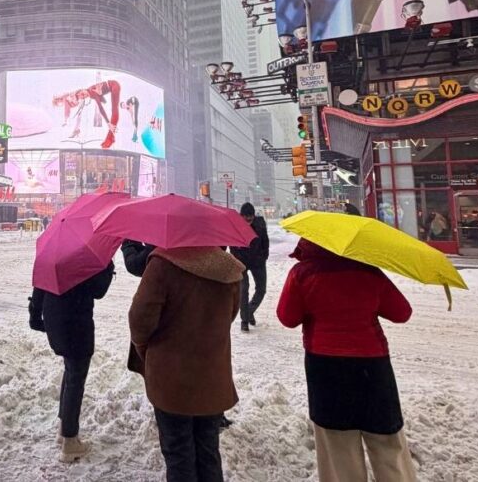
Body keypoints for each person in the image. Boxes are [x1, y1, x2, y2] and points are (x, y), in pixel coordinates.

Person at [277, 239, 417, 482]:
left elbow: (287, 317)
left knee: (337, 445)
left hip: (326, 367)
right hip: (373, 367)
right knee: (386, 440)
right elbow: (402, 312)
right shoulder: (368, 270)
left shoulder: (302, 273)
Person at [128, 247, 243, 481]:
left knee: (179, 454)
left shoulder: (162, 264)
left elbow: (139, 321)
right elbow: (229, 315)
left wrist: (147, 351)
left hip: (171, 382)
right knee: (208, 452)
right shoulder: (229, 269)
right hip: (212, 378)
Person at [28, 261, 116, 462]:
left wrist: (34, 314)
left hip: (55, 319)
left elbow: (41, 283)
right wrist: (107, 266)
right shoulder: (84, 257)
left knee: (70, 371)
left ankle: (63, 427)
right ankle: (70, 441)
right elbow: (98, 290)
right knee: (76, 378)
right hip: (76, 323)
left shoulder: (53, 253)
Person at [229, 203, 270, 332]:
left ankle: (249, 311)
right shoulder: (235, 227)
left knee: (261, 290)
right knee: (243, 290)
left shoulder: (260, 225)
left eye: (250, 217)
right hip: (242, 263)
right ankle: (244, 321)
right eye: (245, 217)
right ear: (241, 216)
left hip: (258, 262)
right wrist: (238, 260)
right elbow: (232, 246)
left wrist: (263, 256)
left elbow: (265, 242)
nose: (248, 219)